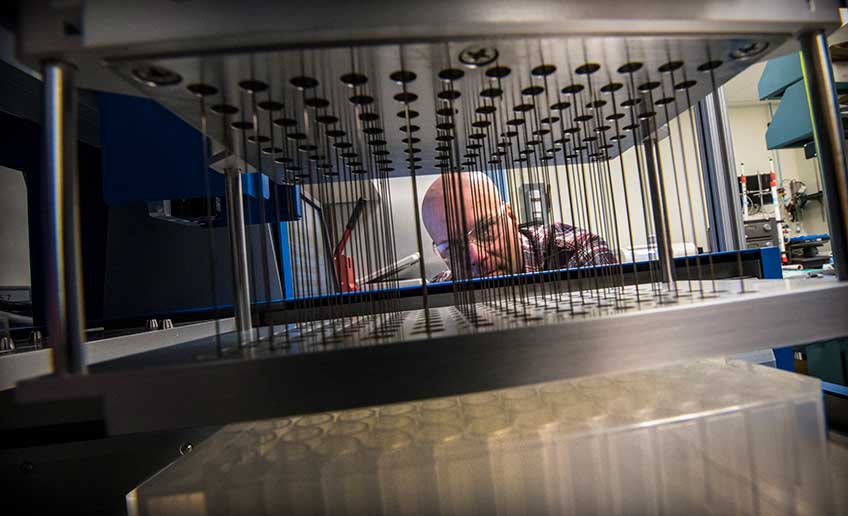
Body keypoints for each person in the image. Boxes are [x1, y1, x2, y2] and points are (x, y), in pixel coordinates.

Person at [421, 172, 617, 282]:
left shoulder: (576, 254)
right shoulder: (444, 287)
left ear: (511, 217)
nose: (476, 257)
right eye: (454, 247)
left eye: (486, 230)